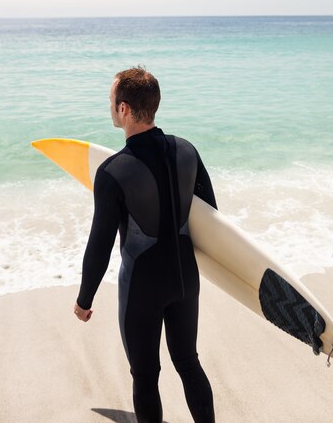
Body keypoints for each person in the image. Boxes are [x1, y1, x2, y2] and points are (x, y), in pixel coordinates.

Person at [74, 67, 216, 423]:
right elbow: (211, 216)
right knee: (188, 362)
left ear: (123, 109)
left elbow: (100, 244)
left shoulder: (112, 172)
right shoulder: (187, 151)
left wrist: (84, 299)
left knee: (146, 376)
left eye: (110, 100)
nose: (109, 105)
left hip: (143, 286)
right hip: (186, 279)